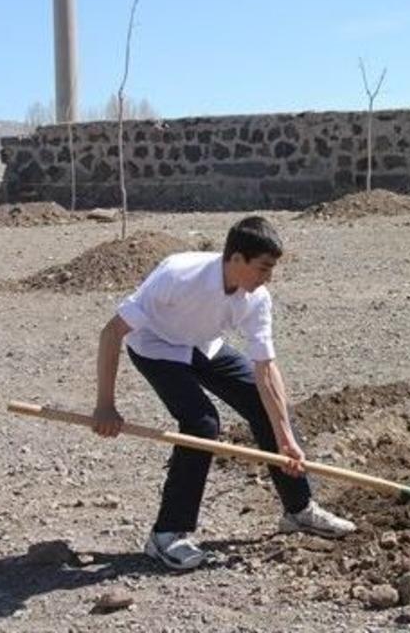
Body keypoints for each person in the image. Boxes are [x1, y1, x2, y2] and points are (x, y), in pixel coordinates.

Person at [92, 216, 355, 570]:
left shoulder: (256, 298)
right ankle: (166, 535)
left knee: (266, 404)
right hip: (156, 346)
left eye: (272, 268)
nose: (268, 278)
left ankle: (299, 510)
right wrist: (105, 406)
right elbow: (111, 333)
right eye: (263, 267)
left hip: (203, 345)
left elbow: (265, 369)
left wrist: (287, 438)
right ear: (235, 259)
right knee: (201, 424)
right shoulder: (177, 275)